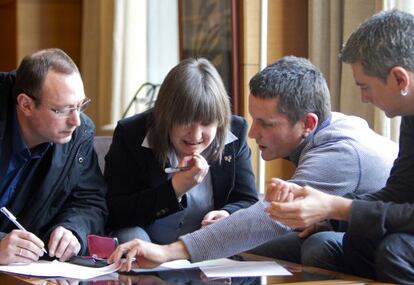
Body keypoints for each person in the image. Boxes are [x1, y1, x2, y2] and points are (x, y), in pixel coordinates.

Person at [108, 56, 398, 271]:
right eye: (253, 119)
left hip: (392, 239)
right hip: (368, 233)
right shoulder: (333, 127)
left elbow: (264, 217)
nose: (252, 133)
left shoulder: (340, 152)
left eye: (265, 123)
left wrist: (169, 252)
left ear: (308, 124)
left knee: (306, 243)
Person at [260, 10, 414, 284]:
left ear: (400, 79)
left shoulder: (341, 148)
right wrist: (329, 215)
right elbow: (398, 194)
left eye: (365, 87)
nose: (363, 98)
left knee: (395, 251)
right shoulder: (410, 119)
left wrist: (334, 208)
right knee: (356, 240)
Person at [104, 58, 259, 245]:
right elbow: (115, 211)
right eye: (185, 122)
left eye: (207, 123)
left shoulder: (235, 131)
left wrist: (226, 215)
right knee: (131, 237)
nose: (195, 135)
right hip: (147, 242)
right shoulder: (132, 134)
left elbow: (248, 200)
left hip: (206, 244)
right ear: (165, 116)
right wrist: (173, 190)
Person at [0, 48, 107, 265]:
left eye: (80, 106)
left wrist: (73, 229)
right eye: (63, 110)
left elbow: (90, 200)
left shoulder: (79, 135)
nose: (76, 120)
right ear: (26, 104)